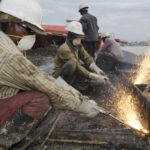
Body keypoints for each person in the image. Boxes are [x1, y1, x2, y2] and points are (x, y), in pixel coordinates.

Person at [0, 0, 106, 149]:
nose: (30, 35)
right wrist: (80, 103)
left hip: (51, 81)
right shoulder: (9, 54)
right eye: (28, 30)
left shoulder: (5, 42)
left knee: (56, 89)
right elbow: (39, 80)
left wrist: (93, 67)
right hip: (57, 77)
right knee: (42, 97)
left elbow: (85, 57)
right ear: (8, 21)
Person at [52, 21, 108, 91]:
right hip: (60, 76)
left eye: (80, 37)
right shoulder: (64, 49)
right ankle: (64, 86)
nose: (79, 39)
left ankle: (77, 86)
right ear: (70, 36)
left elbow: (86, 57)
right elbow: (77, 67)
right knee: (72, 64)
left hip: (74, 74)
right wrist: (92, 75)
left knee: (100, 81)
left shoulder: (78, 44)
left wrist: (95, 68)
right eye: (78, 37)